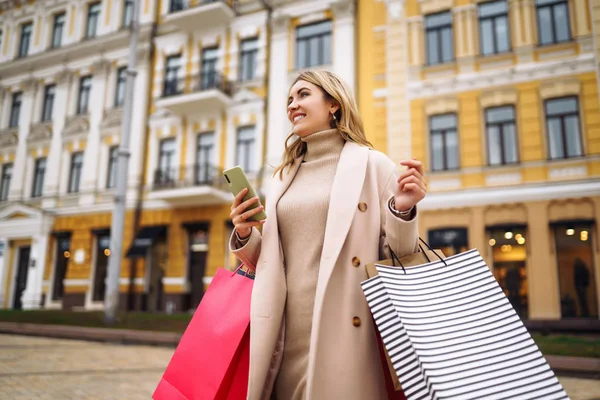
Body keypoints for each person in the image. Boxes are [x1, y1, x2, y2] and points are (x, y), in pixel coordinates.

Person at [229, 70, 427, 400]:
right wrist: (245, 232)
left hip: (346, 330)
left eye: (303, 95)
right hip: (283, 332)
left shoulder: (373, 165)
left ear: (333, 104)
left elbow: (400, 255)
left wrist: (402, 210)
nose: (292, 105)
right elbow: (273, 262)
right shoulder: (282, 176)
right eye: (289, 100)